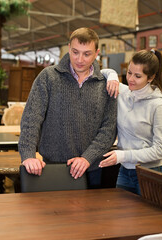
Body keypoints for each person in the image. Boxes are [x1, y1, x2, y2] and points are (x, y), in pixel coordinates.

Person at [19, 27, 117, 189]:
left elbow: (109, 129)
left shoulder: (106, 85)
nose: (80, 59)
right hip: (52, 168)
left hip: (92, 170)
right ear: (68, 48)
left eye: (87, 54)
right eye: (75, 52)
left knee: (91, 215)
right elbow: (31, 118)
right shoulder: (48, 77)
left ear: (96, 53)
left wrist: (87, 158)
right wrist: (28, 155)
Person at [99, 50, 162, 195]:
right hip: (125, 171)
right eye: (129, 72)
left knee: (149, 218)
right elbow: (99, 72)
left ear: (150, 77)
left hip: (151, 174)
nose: (131, 79)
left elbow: (161, 150)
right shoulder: (123, 92)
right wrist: (113, 76)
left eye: (138, 76)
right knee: (121, 217)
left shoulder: (158, 105)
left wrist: (123, 156)